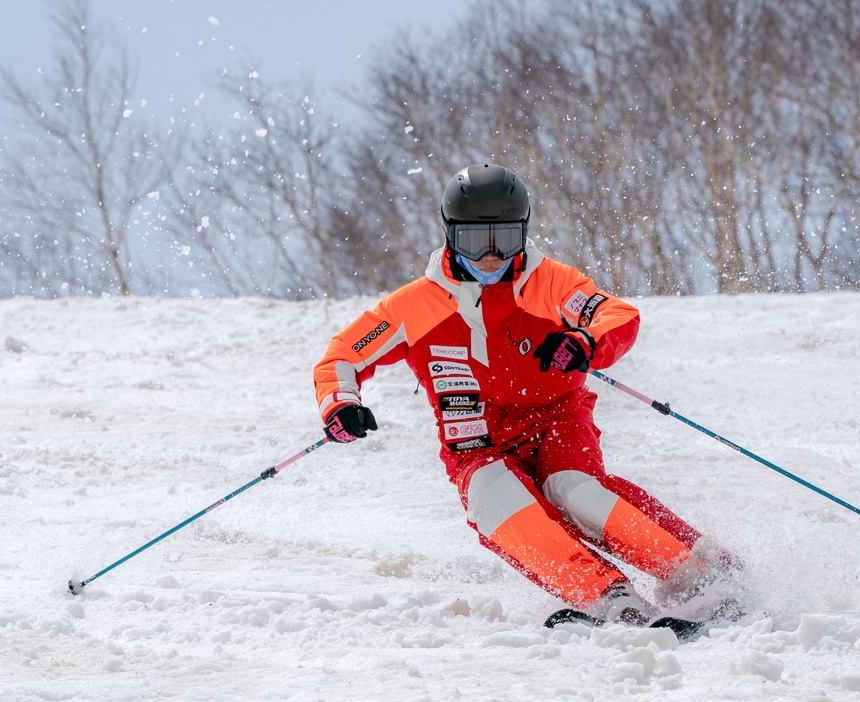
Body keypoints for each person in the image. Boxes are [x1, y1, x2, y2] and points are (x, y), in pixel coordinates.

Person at [314, 163, 734, 626]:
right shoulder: (413, 305)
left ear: (524, 232)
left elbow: (615, 314)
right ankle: (608, 597)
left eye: (505, 239)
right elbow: (341, 358)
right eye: (476, 241)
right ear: (451, 235)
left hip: (556, 417)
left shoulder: (549, 282)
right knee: (493, 498)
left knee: (573, 492)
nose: (491, 256)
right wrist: (340, 402)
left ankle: (703, 576)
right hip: (474, 434)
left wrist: (585, 342)